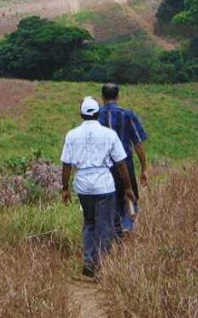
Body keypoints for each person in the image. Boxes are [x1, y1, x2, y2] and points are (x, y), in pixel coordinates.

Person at [61, 96, 136, 278]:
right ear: (98, 113)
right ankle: (101, 263)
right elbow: (121, 163)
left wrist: (65, 188)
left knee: (89, 222)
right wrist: (128, 187)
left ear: (81, 114)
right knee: (106, 225)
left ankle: (88, 260)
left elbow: (66, 165)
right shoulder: (109, 135)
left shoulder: (71, 135)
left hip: (83, 185)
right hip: (104, 184)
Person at [98, 83, 149, 235]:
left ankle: (116, 230)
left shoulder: (97, 116)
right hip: (126, 163)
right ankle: (127, 226)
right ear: (118, 96)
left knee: (112, 197)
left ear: (102, 98)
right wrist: (144, 168)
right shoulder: (128, 115)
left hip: (104, 165)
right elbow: (138, 143)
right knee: (130, 196)